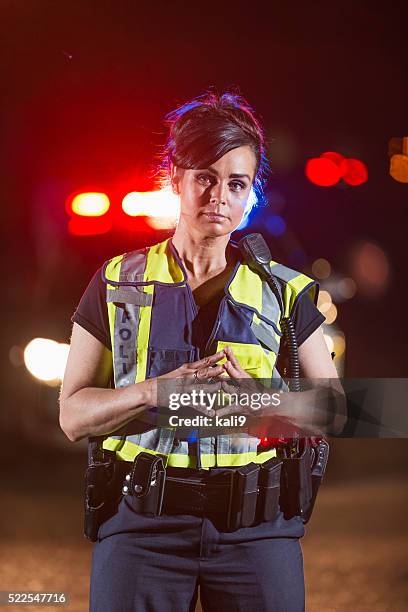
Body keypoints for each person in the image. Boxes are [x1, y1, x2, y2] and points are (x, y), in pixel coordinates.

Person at [59, 91, 344, 612]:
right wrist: (156, 392)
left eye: (235, 183)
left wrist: (259, 403)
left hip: (258, 531)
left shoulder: (287, 292)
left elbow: (333, 411)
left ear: (250, 194)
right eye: (204, 178)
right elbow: (73, 418)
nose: (218, 196)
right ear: (176, 179)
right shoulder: (117, 282)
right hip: (140, 526)